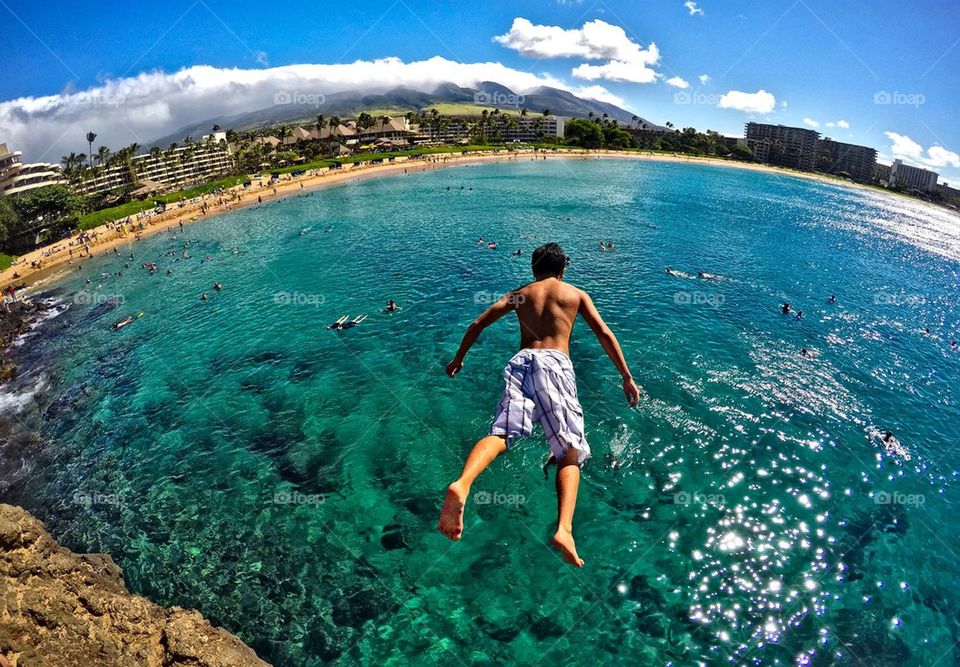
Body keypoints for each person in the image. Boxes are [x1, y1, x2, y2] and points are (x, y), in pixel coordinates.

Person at [438, 242, 641, 567]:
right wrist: (626, 376)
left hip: (521, 362)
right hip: (556, 365)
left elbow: (477, 324)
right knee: (569, 451)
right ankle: (564, 529)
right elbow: (603, 332)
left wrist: (458, 358)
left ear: (534, 269)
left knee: (502, 434)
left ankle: (462, 484)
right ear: (563, 270)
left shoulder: (521, 293)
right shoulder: (575, 295)